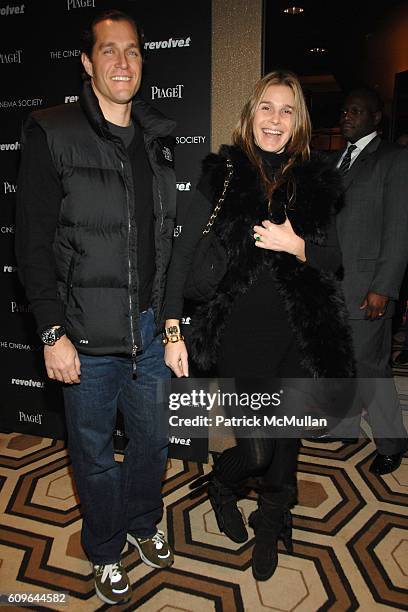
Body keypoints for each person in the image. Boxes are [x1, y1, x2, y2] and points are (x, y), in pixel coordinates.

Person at [163, 70, 354, 581]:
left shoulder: (316, 180)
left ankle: (270, 524)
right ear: (251, 115)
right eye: (266, 108)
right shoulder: (223, 173)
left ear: (299, 122)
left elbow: (334, 260)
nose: (275, 119)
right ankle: (224, 486)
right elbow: (181, 256)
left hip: (296, 332)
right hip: (239, 333)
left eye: (287, 110)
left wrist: (298, 247)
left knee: (284, 452)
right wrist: (173, 329)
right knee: (256, 448)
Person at [15, 9, 175, 605]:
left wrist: (168, 319)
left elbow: (162, 244)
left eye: (132, 51)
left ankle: (141, 522)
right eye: (109, 51)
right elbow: (31, 245)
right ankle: (106, 547)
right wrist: (52, 331)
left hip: (149, 332)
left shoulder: (158, 136)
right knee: (93, 455)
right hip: (84, 335)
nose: (122, 63)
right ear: (87, 62)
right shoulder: (52, 131)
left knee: (153, 444)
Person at [335, 87, 408, 474]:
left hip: (368, 289)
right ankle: (346, 426)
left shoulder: (395, 159)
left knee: (371, 369)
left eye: (357, 110)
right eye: (345, 109)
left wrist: (384, 286)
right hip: (333, 287)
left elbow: (399, 229)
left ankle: (392, 442)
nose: (348, 115)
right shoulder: (335, 162)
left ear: (376, 118)